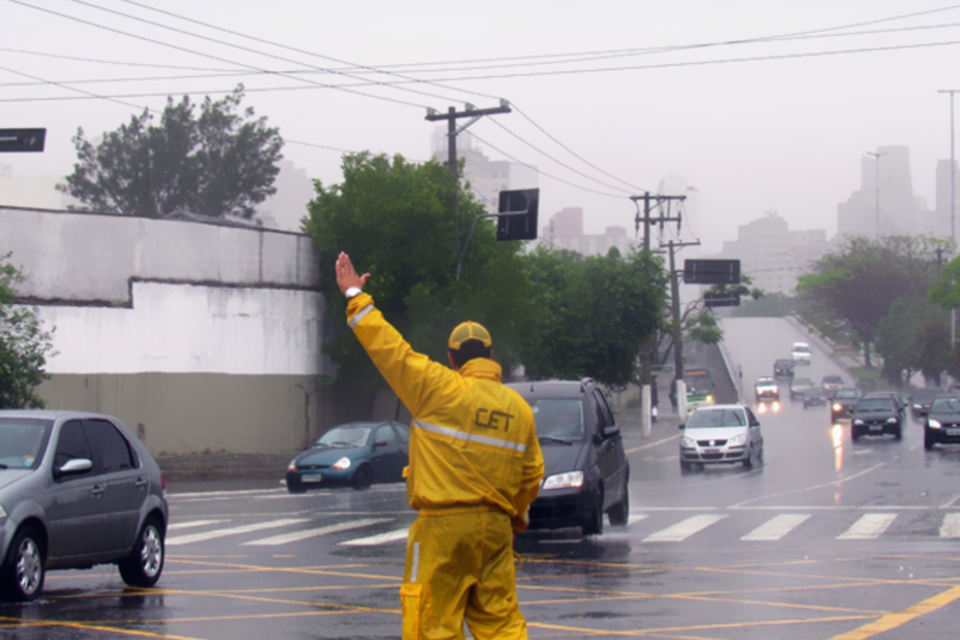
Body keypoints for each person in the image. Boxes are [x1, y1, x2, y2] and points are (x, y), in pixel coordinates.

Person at [335, 252, 544, 640]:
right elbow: (532, 475)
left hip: (442, 529)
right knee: (501, 624)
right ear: (492, 356)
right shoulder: (519, 409)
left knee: (433, 624)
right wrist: (515, 517)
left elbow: (389, 348)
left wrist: (354, 294)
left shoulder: (436, 389)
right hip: (495, 530)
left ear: (451, 360)